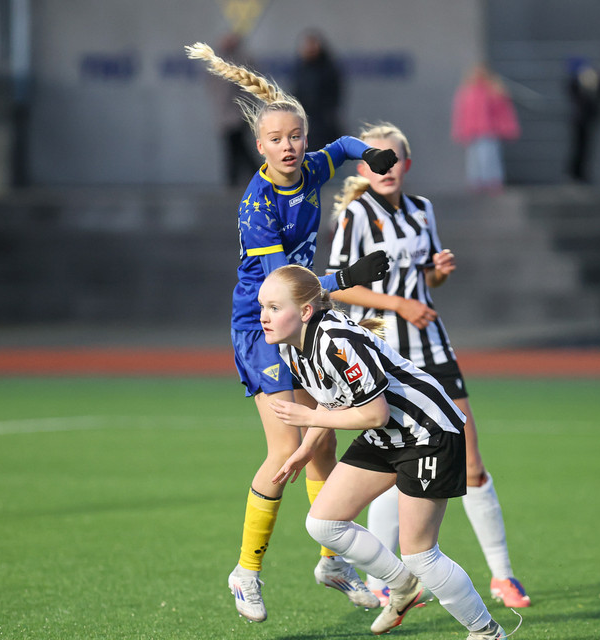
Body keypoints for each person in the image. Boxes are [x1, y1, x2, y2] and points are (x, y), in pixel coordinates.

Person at [184, 42, 396, 623]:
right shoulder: (257, 205)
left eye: (296, 136)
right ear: (260, 147)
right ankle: (245, 572)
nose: (288, 146)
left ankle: (333, 560)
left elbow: (343, 147)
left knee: (322, 443)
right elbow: (286, 287)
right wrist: (348, 277)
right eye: (276, 139)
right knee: (285, 450)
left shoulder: (311, 169)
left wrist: (369, 155)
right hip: (265, 324)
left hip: (299, 319)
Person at [326, 122, 531, 610]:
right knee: (391, 462)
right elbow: (337, 284)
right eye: (375, 160)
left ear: (407, 164)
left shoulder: (422, 209)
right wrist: (398, 305)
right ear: (363, 169)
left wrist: (437, 273)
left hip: (433, 349)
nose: (386, 168)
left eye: (393, 159)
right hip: (383, 353)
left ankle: (502, 576)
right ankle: (383, 582)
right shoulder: (357, 215)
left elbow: (427, 280)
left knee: (472, 462)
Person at [263, 264, 515, 640]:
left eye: (274, 307)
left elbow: (374, 414)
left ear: (305, 311)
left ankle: (487, 633)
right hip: (388, 434)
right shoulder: (291, 347)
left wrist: (308, 416)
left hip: (428, 432)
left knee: (420, 554)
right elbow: (334, 400)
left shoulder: (336, 341)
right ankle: (404, 587)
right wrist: (306, 447)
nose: (264, 317)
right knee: (323, 523)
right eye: (262, 307)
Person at [451, 64, 520, 193]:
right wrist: (461, 130)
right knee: (474, 159)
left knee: (489, 157)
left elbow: (502, 111)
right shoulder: (468, 91)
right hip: (473, 131)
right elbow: (462, 113)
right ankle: (477, 182)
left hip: (488, 130)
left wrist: (506, 127)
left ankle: (492, 181)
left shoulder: (493, 90)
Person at [206, 32, 260, 186]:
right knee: (234, 149)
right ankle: (236, 181)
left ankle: (239, 180)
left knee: (240, 148)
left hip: (239, 114)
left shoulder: (243, 61)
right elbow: (213, 87)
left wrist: (246, 109)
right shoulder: (218, 62)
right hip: (225, 115)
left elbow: (252, 89)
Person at [291, 29, 344, 152]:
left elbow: (335, 95)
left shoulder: (328, 68)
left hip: (324, 124)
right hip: (305, 121)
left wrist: (328, 115)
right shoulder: (300, 69)